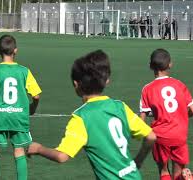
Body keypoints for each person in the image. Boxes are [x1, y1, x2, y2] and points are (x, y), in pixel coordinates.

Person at [27, 50, 156, 179]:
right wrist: (138, 161)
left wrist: (39, 149)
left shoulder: (81, 117)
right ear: (106, 81)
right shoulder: (120, 106)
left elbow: (62, 156)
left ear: (76, 84)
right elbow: (151, 136)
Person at [0, 35, 42, 180]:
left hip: (0, 116)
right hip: (19, 116)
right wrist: (33, 108)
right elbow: (36, 95)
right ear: (15, 51)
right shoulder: (24, 71)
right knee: (19, 151)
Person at [139, 49, 193, 180]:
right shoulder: (179, 84)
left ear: (150, 66)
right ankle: (182, 178)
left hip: (161, 135)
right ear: (170, 64)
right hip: (179, 133)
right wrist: (180, 116)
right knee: (178, 173)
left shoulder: (147, 89)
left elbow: (142, 118)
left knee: (163, 171)